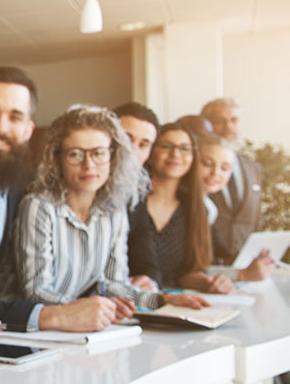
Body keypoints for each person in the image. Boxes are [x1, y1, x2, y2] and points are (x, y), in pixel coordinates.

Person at [0, 67, 132, 333]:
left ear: (28, 130)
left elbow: (115, 282)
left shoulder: (17, 181)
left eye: (14, 117)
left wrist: (156, 299)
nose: (1, 127)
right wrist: (66, 314)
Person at [12, 106, 208, 316]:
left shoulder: (115, 208)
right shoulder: (39, 206)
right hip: (32, 329)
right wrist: (86, 309)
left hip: (80, 325)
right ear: (57, 158)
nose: (89, 165)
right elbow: (35, 291)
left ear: (113, 157)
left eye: (98, 153)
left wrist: (162, 299)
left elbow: (114, 284)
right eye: (75, 154)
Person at [133, 122, 238, 293]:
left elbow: (186, 273)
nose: (176, 154)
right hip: (127, 304)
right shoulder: (132, 203)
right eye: (166, 146)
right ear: (150, 153)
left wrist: (209, 283)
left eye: (185, 148)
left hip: (175, 304)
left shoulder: (195, 210)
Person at [198, 134, 274, 281]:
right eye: (207, 164)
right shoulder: (185, 207)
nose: (216, 173)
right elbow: (185, 272)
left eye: (225, 168)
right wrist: (241, 274)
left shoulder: (209, 207)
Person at [201, 98, 263, 264]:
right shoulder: (195, 166)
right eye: (219, 121)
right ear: (206, 125)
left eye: (234, 120)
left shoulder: (253, 168)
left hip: (245, 264)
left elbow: (256, 220)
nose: (228, 127)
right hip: (206, 263)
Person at [113, 101, 161, 291]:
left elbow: (148, 262)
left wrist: (148, 280)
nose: (132, 151)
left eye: (143, 145)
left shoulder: (136, 194)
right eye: (126, 138)